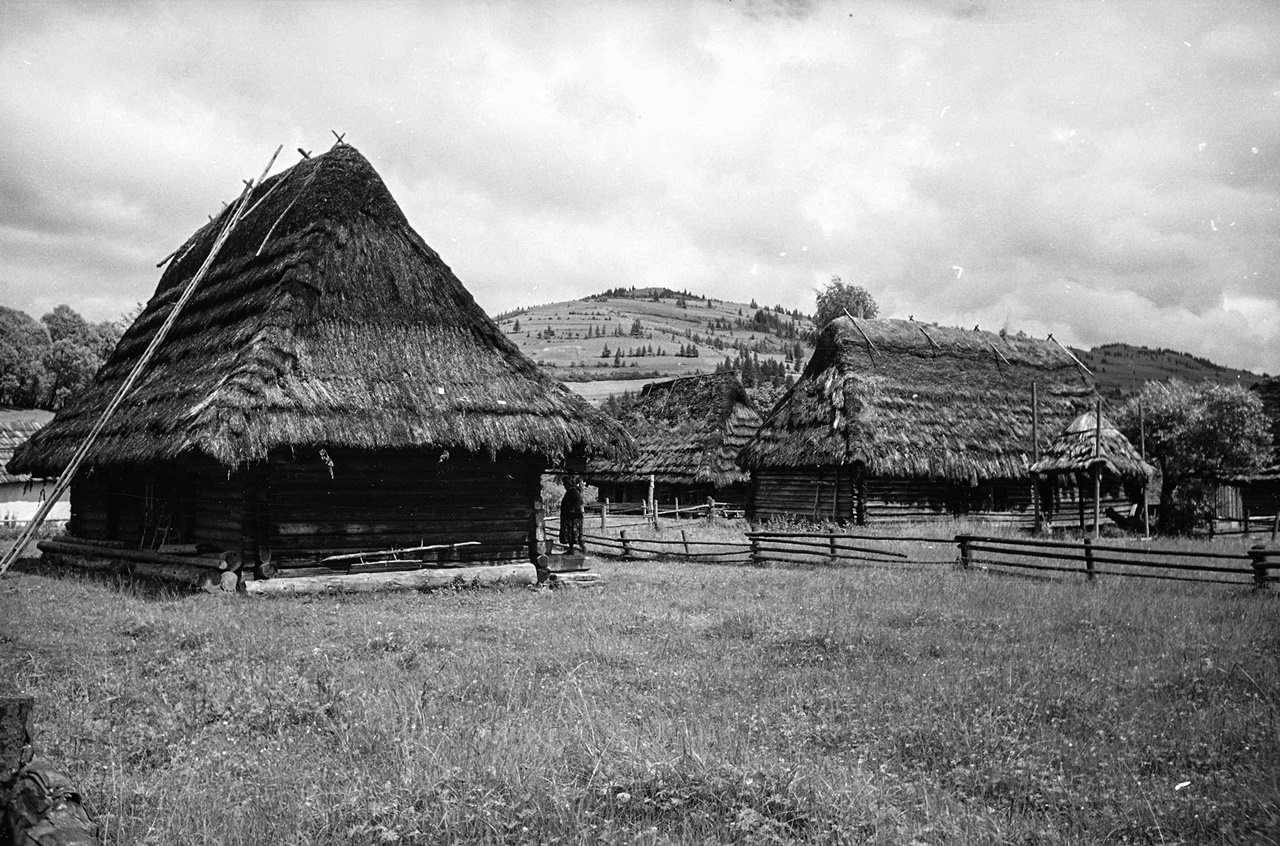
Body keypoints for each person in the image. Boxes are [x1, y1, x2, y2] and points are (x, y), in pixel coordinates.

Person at [558, 475, 585, 554]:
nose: (564, 486)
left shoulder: (573, 491)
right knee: (570, 534)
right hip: (569, 516)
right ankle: (571, 549)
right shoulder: (571, 491)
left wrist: (573, 508)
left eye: (565, 484)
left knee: (574, 534)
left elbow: (579, 501)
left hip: (573, 517)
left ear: (569, 484)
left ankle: (583, 549)